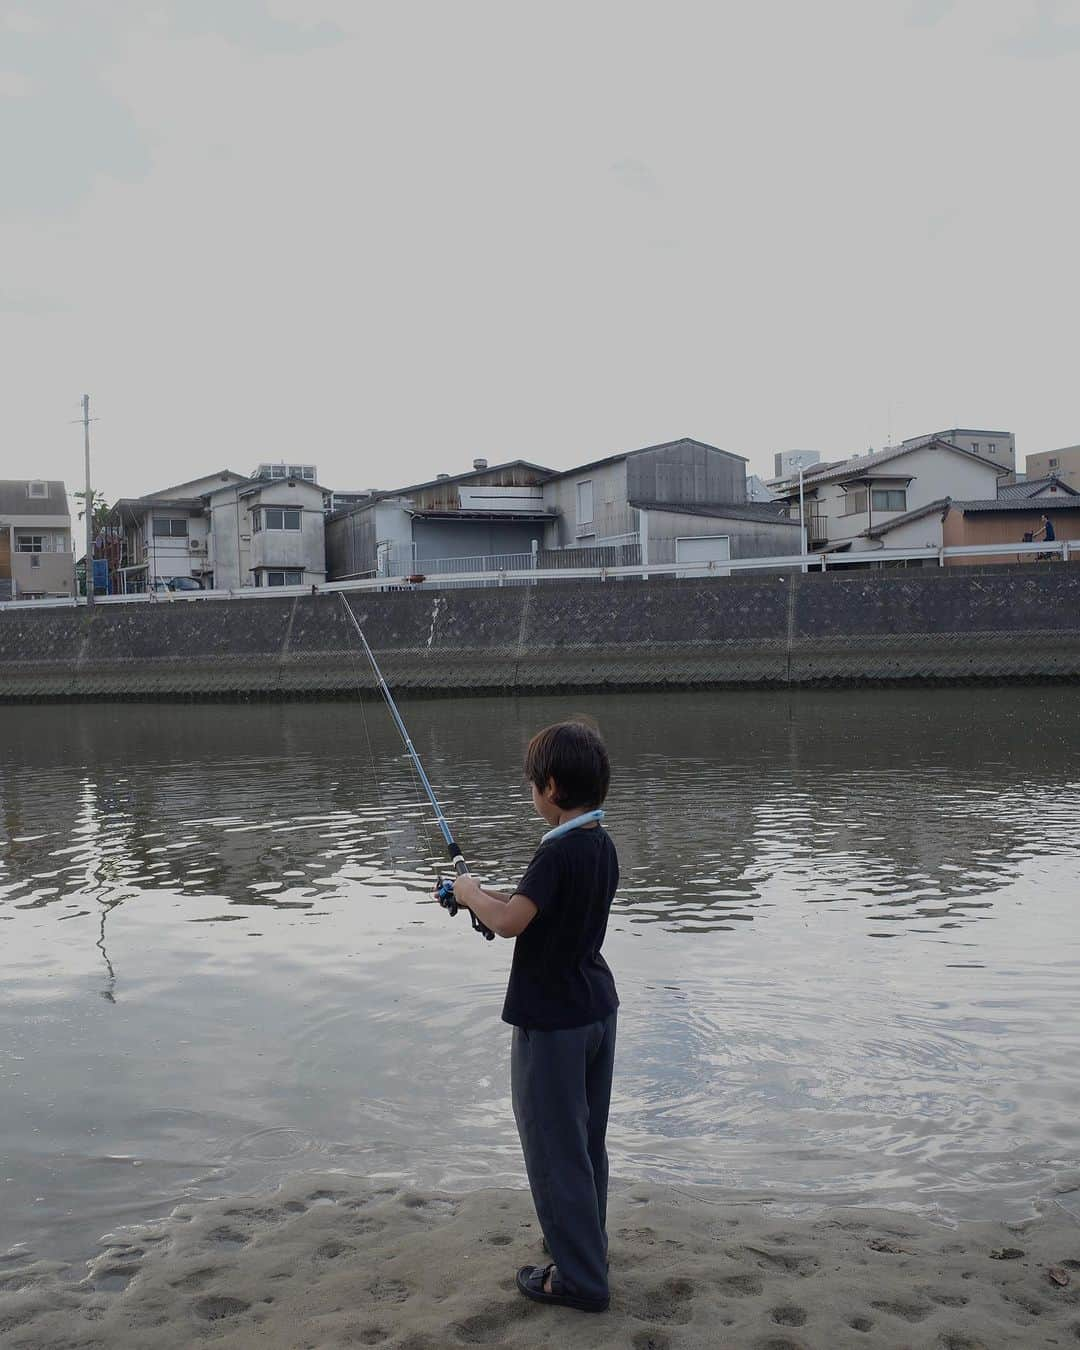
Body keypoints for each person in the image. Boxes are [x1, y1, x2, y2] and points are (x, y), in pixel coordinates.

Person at [444, 719, 619, 1314]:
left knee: (552, 1147)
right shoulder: (600, 845)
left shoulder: (556, 852)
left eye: (531, 786)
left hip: (553, 1023)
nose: (532, 795)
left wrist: (469, 896)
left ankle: (579, 1280)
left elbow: (511, 921)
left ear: (549, 786)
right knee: (585, 1140)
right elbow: (527, 910)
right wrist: (476, 892)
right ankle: (584, 1244)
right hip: (596, 1009)